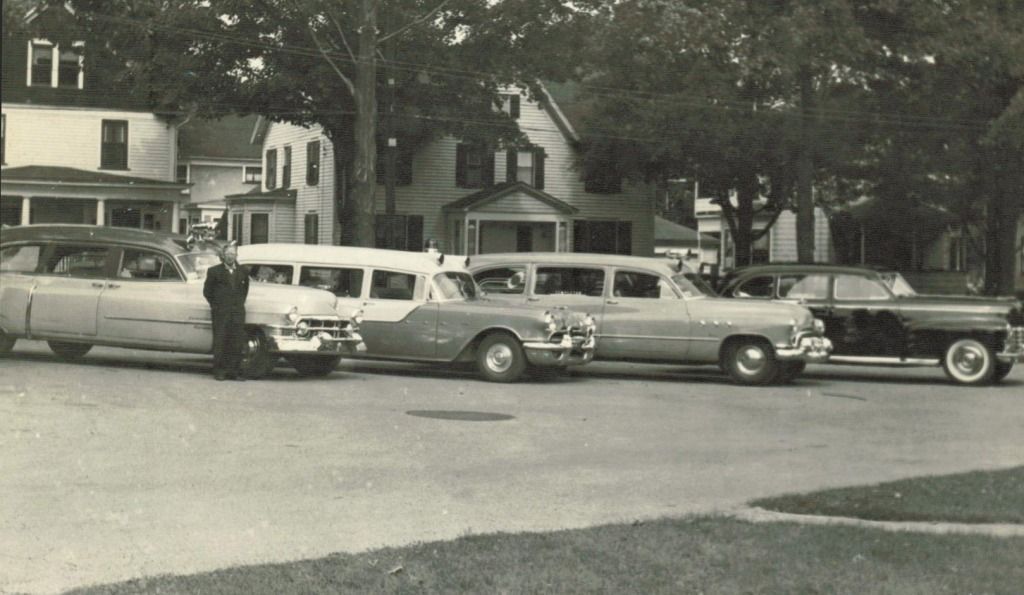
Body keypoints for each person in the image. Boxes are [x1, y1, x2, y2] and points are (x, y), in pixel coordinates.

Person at [203, 242, 249, 381]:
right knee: (220, 340)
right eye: (228, 254)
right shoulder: (214, 271)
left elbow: (244, 291)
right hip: (221, 312)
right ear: (223, 256)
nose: (230, 257)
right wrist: (217, 306)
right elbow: (207, 292)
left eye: (233, 254)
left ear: (236, 256)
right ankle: (220, 371)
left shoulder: (242, 271)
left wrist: (238, 304)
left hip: (237, 312)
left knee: (236, 341)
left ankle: (234, 371)